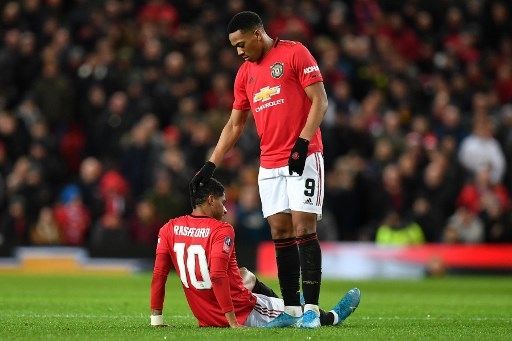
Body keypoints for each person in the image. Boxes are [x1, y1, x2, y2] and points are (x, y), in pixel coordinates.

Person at [189, 11, 330, 328]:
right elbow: (235, 125)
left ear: (256, 34)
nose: (239, 52)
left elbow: (320, 100)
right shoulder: (244, 74)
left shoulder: (295, 52)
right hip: (269, 163)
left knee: (304, 229)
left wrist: (303, 144)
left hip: (303, 156)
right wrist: (210, 164)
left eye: (241, 44)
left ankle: (312, 311)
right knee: (280, 233)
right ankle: (293, 310)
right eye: (234, 47)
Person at [150, 177, 360, 328]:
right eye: (223, 202)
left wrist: (156, 319)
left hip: (205, 313)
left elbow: (159, 275)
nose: (225, 210)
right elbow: (216, 275)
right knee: (294, 312)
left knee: (246, 275)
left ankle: (294, 301)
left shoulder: (169, 228)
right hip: (240, 312)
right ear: (211, 199)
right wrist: (232, 320)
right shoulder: (221, 229)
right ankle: (331, 317)